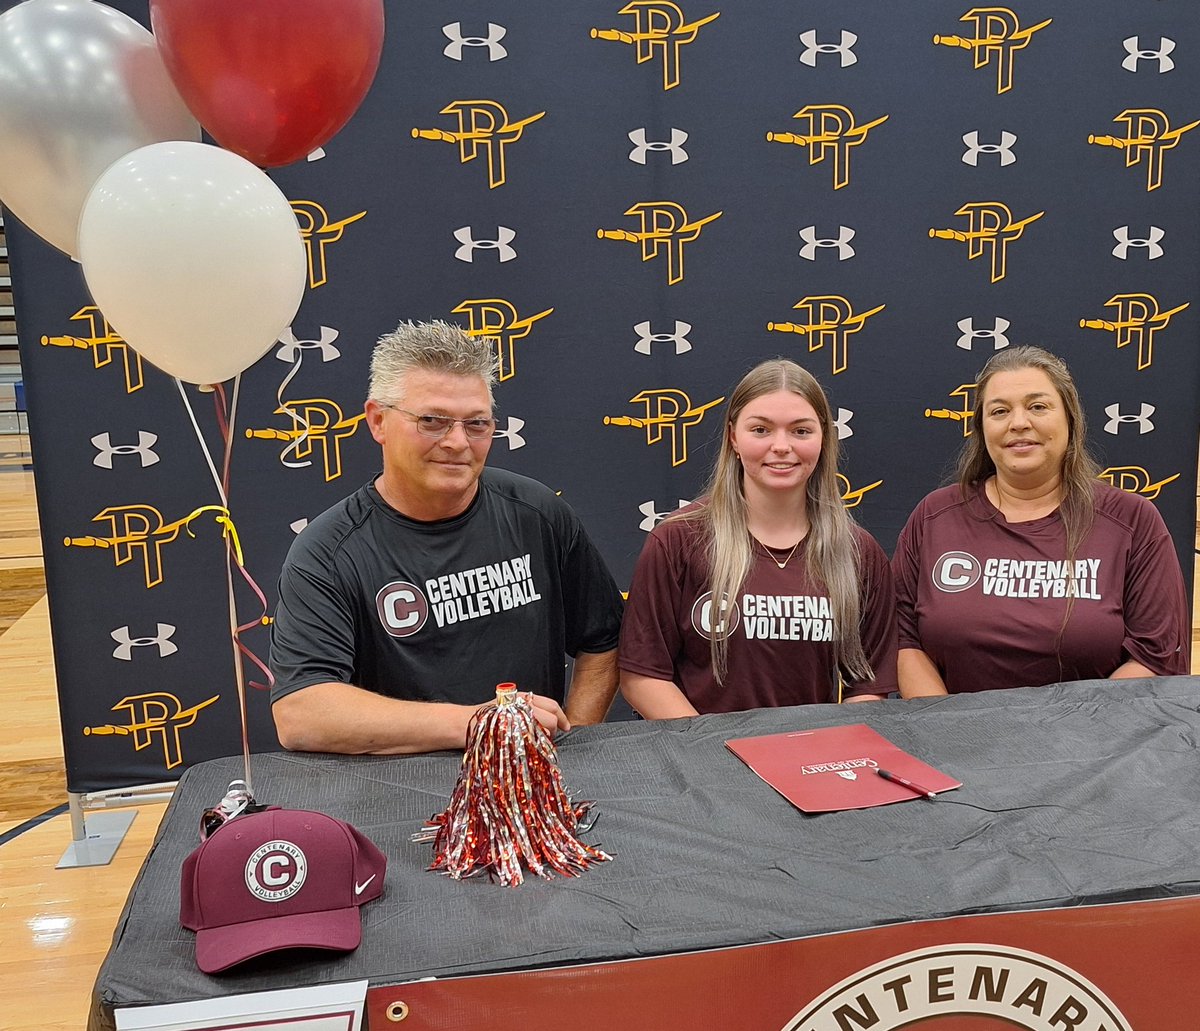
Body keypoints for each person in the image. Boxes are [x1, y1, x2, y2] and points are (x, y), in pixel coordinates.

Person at [270, 320, 624, 754]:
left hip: (526, 781)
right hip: (397, 788)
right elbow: (301, 713)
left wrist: (568, 748)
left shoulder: (539, 514)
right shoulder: (328, 551)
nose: (458, 442)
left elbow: (604, 642)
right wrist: (482, 722)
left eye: (476, 424)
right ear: (378, 421)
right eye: (432, 421)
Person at [893, 345, 1189, 697]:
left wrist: (1066, 736)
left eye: (1038, 406)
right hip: (949, 742)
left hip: (1094, 744)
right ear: (981, 427)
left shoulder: (1132, 521)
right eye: (999, 411)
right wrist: (950, 731)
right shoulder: (934, 517)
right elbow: (901, 637)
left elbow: (1157, 657)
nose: (1019, 423)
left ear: (1070, 419)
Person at [618, 358, 898, 717]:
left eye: (801, 431)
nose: (781, 446)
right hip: (705, 762)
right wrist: (714, 753)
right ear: (733, 436)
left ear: (824, 438)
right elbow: (643, 676)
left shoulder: (859, 553)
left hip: (811, 762)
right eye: (761, 430)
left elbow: (868, 687)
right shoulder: (677, 541)